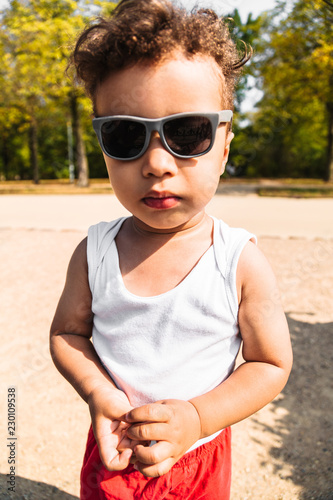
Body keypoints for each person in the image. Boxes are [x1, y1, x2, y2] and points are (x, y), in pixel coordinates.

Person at [50, 1, 293, 498]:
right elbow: (67, 334)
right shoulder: (95, 252)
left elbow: (269, 364)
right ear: (102, 147)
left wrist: (197, 416)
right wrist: (100, 393)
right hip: (112, 447)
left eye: (187, 133)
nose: (157, 162)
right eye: (125, 135)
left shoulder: (237, 260)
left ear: (223, 145)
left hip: (197, 458)